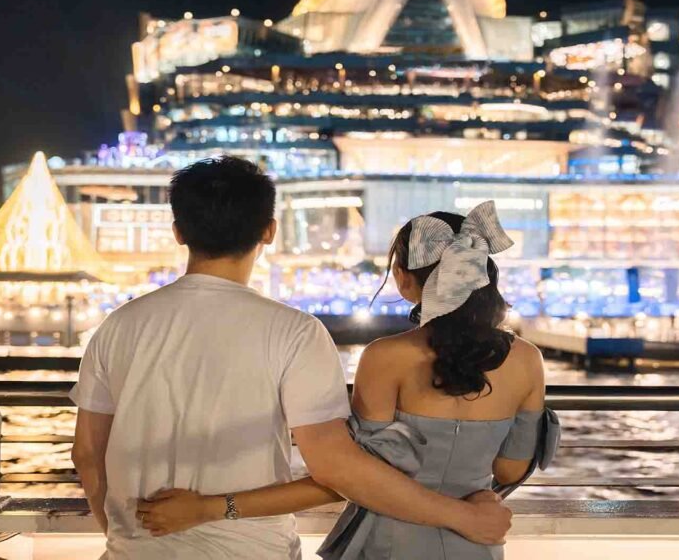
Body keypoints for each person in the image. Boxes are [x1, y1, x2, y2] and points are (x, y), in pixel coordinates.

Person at [69, 157, 513, 560]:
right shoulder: (295, 332)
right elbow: (335, 470)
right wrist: (463, 516)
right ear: (269, 230)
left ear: (179, 232)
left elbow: (87, 454)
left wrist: (124, 536)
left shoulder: (117, 326)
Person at [137, 200, 560, 559]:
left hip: (386, 541)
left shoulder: (386, 358)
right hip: (476, 540)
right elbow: (510, 468)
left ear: (405, 280)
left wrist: (211, 508)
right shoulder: (528, 361)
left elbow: (350, 475)